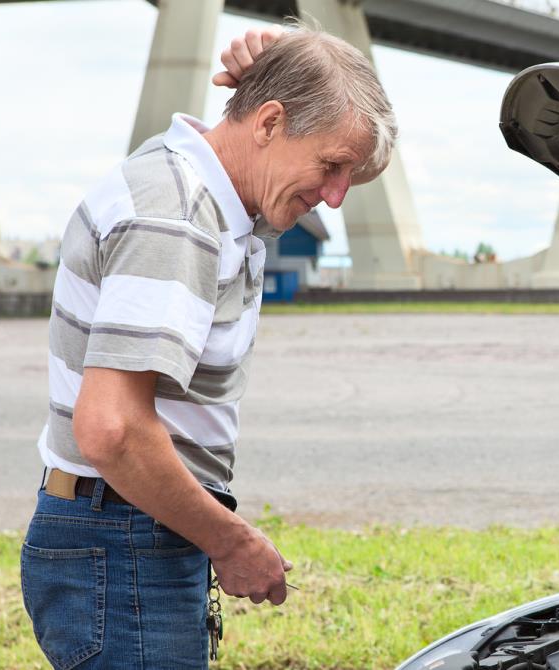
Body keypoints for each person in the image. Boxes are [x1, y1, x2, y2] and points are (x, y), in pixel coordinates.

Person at [20, 23, 395, 668]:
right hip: (126, 539)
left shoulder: (194, 190)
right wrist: (230, 542)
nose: (333, 198)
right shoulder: (175, 216)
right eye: (332, 166)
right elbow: (112, 430)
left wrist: (292, 55)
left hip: (131, 529)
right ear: (270, 122)